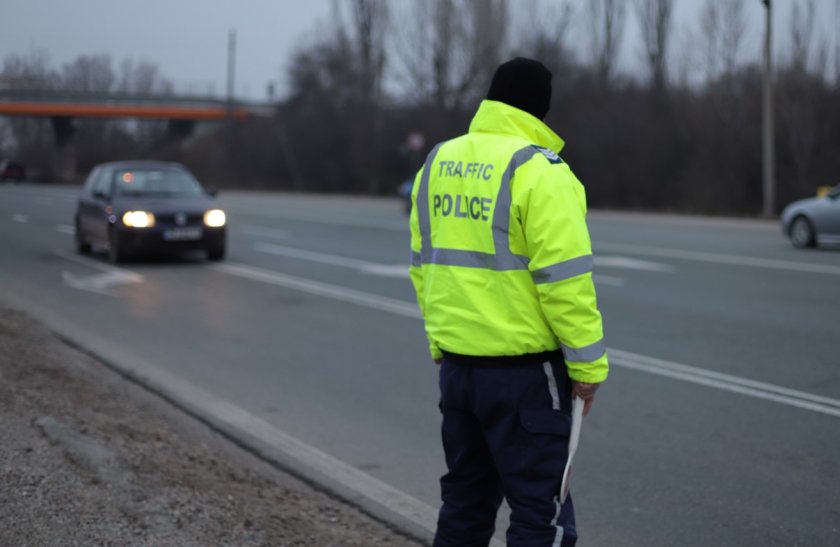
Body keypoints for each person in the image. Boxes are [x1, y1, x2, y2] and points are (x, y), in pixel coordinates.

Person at [408, 57, 609, 546]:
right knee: (541, 514)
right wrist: (588, 366)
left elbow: (423, 263)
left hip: (458, 372)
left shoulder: (437, 161)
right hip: (525, 377)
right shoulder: (541, 170)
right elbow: (564, 281)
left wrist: (440, 342)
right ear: (540, 111)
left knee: (465, 504)